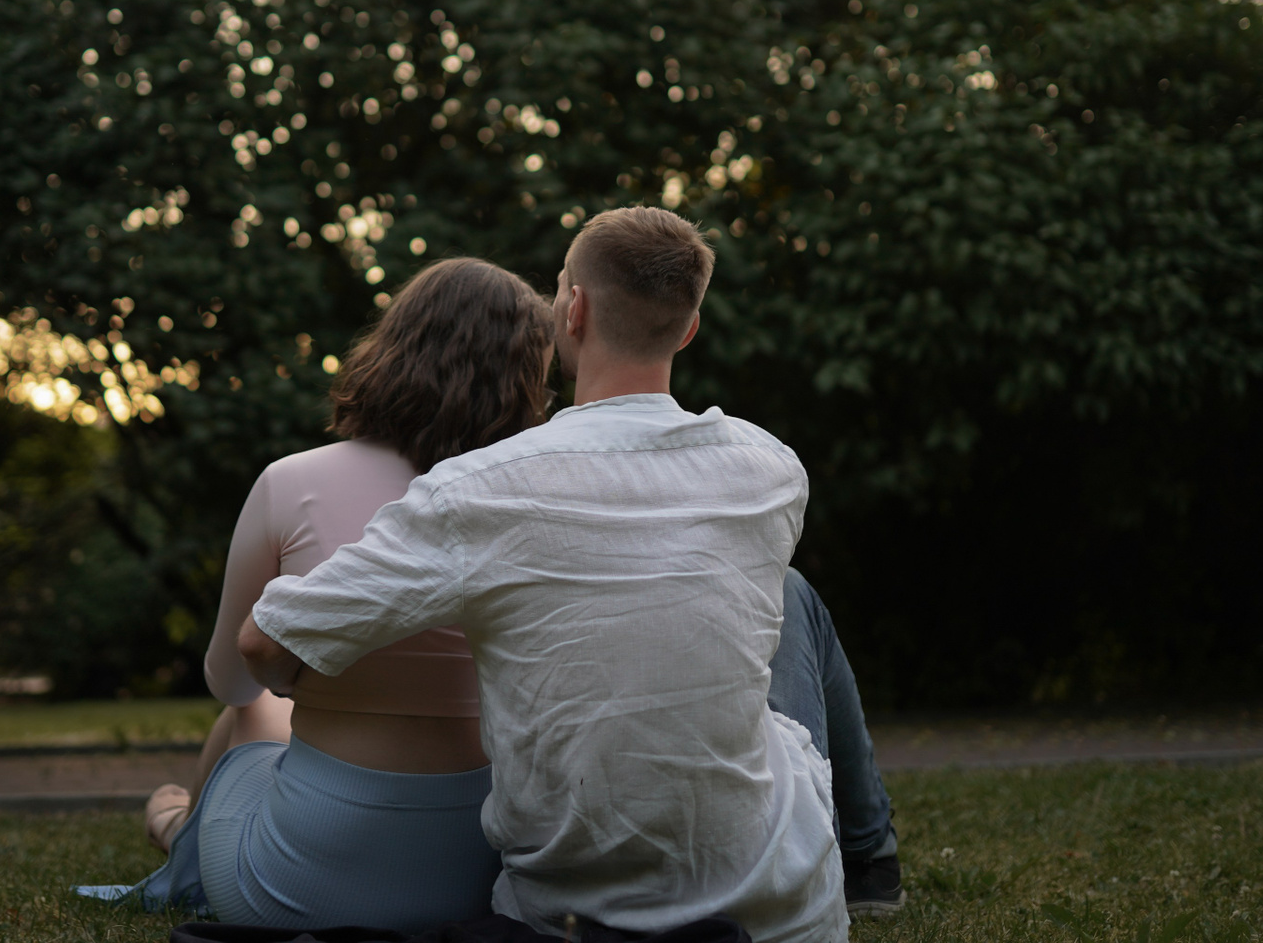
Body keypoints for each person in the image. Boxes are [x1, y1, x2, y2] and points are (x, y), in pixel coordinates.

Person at [240, 207, 903, 943]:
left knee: (787, 596)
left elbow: (264, 644)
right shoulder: (773, 470)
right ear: (688, 329)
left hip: (572, 913)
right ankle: (870, 856)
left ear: (573, 310)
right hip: (784, 914)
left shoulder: (479, 490)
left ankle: (871, 851)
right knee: (793, 594)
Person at [119, 257, 556, 930]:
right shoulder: (534, 503)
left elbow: (231, 680)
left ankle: (181, 833)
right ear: (525, 381)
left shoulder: (292, 481)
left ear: (396, 349)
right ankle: (182, 831)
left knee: (255, 707)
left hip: (292, 888)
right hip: (477, 877)